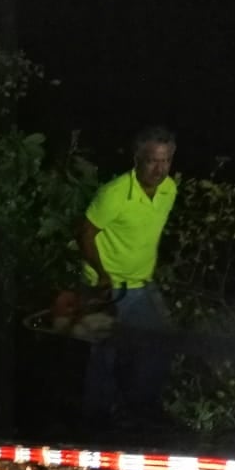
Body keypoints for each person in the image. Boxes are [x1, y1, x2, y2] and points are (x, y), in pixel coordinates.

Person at [77, 125, 179, 428]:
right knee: (103, 354)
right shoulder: (115, 194)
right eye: (152, 161)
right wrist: (102, 275)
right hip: (103, 286)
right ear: (137, 158)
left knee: (161, 341)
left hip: (141, 285)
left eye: (166, 161)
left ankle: (143, 407)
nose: (159, 169)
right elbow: (85, 233)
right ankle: (96, 420)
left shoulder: (169, 189)